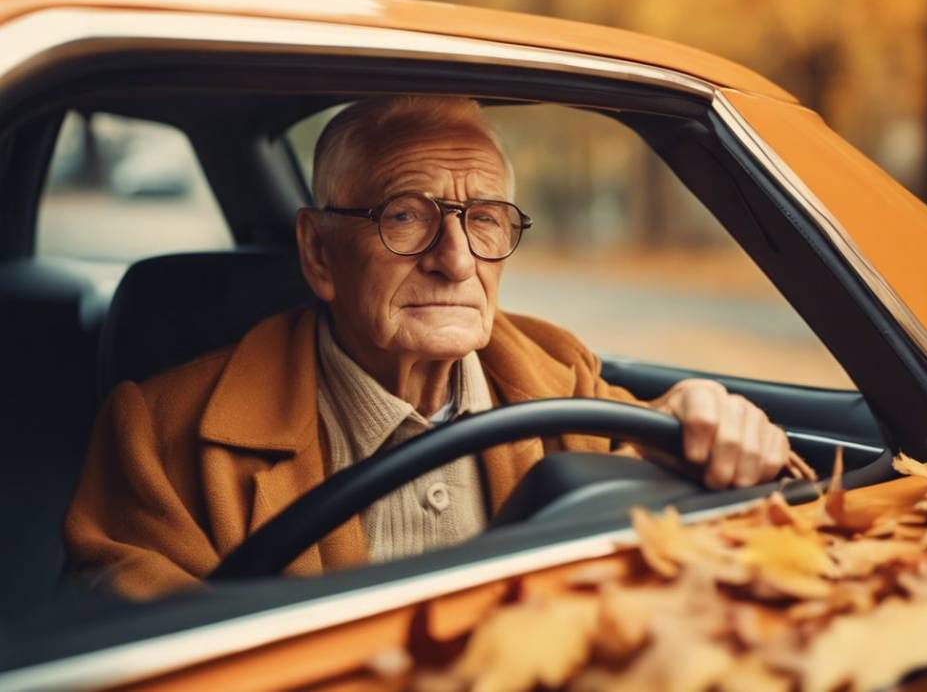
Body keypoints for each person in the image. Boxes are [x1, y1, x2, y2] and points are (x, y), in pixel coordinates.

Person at [65, 96, 813, 599]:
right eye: (406, 215)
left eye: (484, 219)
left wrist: (702, 430)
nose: (456, 259)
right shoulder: (157, 435)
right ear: (319, 253)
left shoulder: (564, 376)